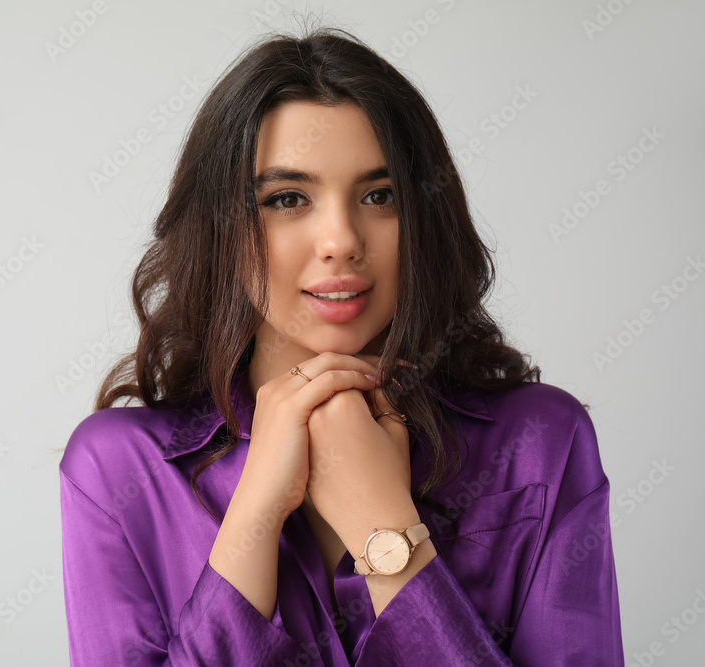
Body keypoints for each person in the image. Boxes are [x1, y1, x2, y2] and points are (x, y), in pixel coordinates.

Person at [59, 27, 624, 666]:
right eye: (287, 199)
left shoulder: (542, 441)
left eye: (378, 196)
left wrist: (386, 534)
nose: (341, 240)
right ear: (221, 230)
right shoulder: (117, 471)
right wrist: (252, 524)